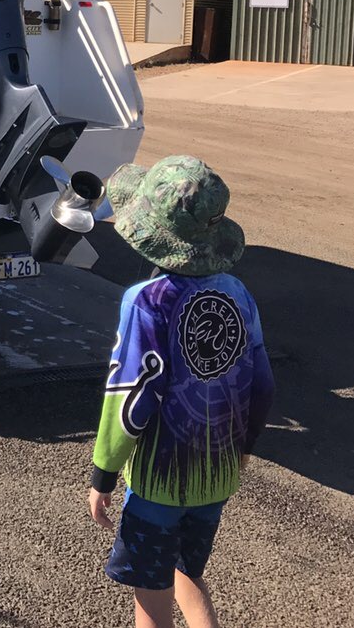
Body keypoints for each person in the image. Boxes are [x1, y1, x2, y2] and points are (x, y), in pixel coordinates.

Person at [87, 155, 274, 628]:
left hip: (158, 481)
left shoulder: (146, 301)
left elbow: (130, 396)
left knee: (151, 599)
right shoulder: (238, 292)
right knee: (188, 572)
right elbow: (262, 382)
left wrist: (103, 474)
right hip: (218, 475)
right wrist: (244, 449)